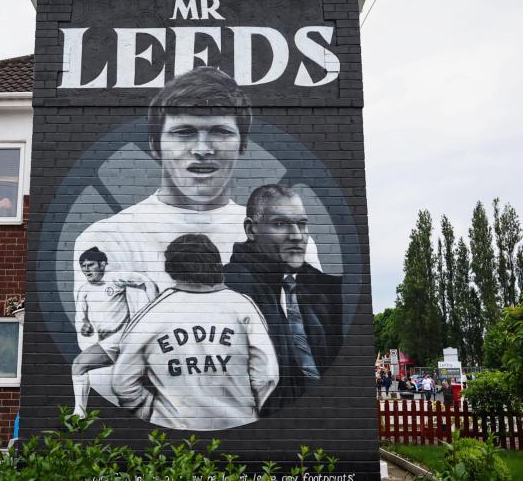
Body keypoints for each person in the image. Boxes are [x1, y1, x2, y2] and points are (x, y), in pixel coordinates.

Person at [71, 66, 320, 302]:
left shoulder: (288, 238)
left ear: (243, 144)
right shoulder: (106, 239)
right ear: (155, 145)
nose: (203, 149)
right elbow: (108, 343)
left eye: (221, 132)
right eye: (184, 132)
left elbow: (311, 335)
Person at [111, 234, 279, 430]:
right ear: (215, 264)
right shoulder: (242, 306)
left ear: (171, 269)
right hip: (238, 426)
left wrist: (152, 410)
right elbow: (266, 375)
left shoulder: (151, 315)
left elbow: (122, 383)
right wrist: (248, 407)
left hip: (175, 435)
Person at [224, 184, 342, 414]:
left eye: (302, 224)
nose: (297, 236)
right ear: (251, 229)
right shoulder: (230, 289)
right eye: (280, 224)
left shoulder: (322, 289)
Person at [70, 247, 157, 417]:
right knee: (126, 386)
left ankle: (79, 413)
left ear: (102, 265)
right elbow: (82, 319)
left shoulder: (115, 279)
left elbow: (145, 282)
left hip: (123, 337)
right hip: (107, 342)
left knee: (79, 365)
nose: (86, 269)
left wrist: (152, 307)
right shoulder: (84, 291)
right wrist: (84, 327)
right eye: (83, 265)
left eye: (90, 264)